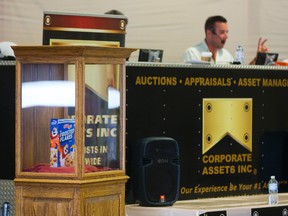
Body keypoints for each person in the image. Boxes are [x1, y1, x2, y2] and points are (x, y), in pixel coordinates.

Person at [183, 15, 268, 64]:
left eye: (227, 32)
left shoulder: (226, 55)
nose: (226, 37)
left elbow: (240, 76)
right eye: (222, 32)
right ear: (209, 33)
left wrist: (258, 58)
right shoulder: (192, 53)